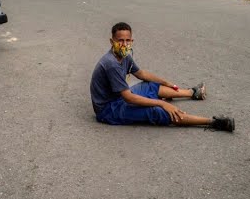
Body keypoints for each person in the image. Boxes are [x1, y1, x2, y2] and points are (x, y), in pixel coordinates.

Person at [90, 22, 235, 131]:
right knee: (158, 111)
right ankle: (213, 122)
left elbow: (141, 74)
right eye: (120, 40)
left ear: (132, 41)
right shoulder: (111, 63)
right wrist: (162, 103)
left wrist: (167, 82)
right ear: (112, 42)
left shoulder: (124, 56)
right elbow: (129, 97)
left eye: (127, 40)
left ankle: (192, 92)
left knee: (151, 85)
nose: (124, 44)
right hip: (109, 110)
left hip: (119, 98)